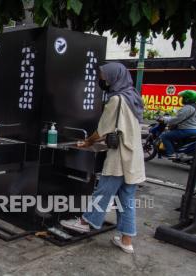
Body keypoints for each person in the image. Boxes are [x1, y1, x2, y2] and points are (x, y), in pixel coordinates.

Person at [60, 62, 146, 254]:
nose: (102, 80)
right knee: (127, 199)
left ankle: (85, 222)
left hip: (120, 157)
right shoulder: (133, 96)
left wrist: (87, 142)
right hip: (134, 157)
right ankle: (126, 239)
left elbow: (102, 130)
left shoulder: (116, 100)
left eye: (104, 77)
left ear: (114, 77)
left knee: (103, 192)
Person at [159, 90, 196, 158]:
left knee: (164, 136)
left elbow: (176, 119)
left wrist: (165, 119)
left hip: (185, 130)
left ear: (187, 99)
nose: (181, 99)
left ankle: (171, 153)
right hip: (194, 130)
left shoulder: (188, 108)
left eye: (183, 98)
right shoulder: (194, 107)